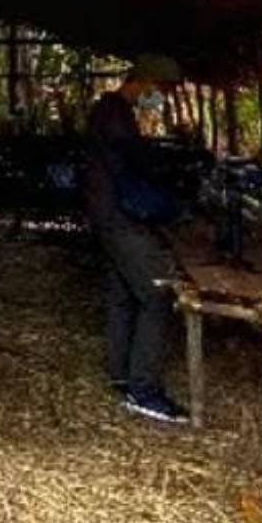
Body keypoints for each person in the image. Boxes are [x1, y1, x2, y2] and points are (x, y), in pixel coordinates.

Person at [85, 54, 189, 424]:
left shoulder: (111, 110)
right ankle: (144, 391)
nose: (159, 97)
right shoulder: (114, 112)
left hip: (107, 213)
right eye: (160, 90)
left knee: (123, 295)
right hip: (120, 216)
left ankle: (121, 373)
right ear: (144, 82)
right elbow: (130, 160)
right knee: (156, 294)